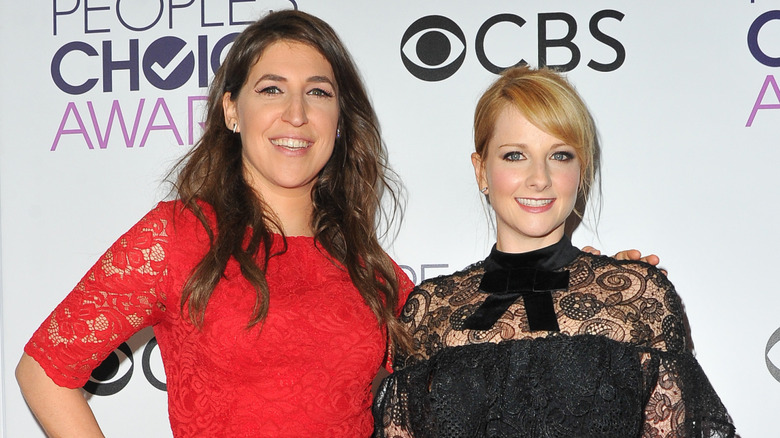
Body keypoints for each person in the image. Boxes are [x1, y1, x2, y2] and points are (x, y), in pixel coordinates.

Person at [16, 10, 414, 437]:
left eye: (318, 92)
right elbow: (44, 370)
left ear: (339, 120)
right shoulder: (177, 236)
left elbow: (447, 380)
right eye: (271, 89)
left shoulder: (367, 267)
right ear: (231, 111)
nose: (296, 113)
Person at [372, 66, 736, 437]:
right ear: (481, 171)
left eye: (560, 155)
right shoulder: (430, 309)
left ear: (582, 170)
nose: (540, 178)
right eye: (515, 155)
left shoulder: (639, 298)